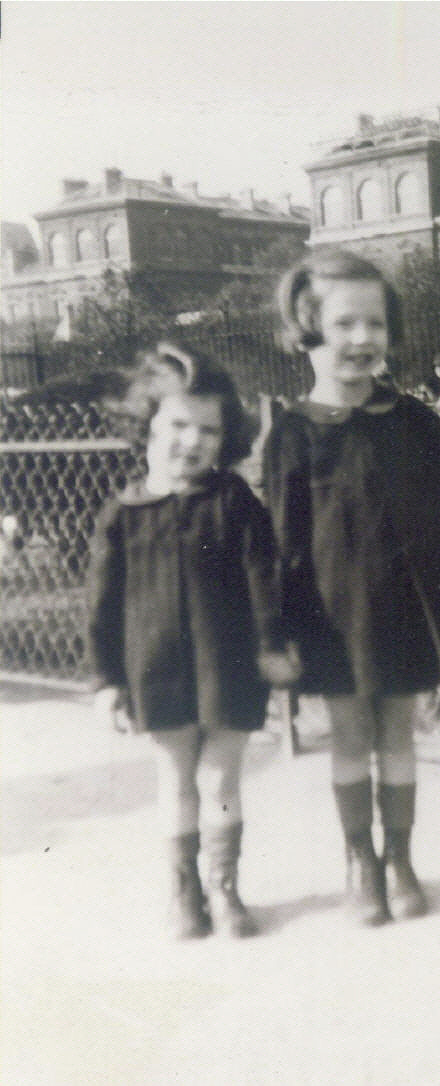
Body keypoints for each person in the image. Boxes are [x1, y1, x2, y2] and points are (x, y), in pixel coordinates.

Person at [264, 250, 440, 926]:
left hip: (405, 607)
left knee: (399, 733)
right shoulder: (293, 433)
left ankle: (401, 858)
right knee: (350, 736)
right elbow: (283, 539)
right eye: (344, 323)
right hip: (332, 615)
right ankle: (361, 862)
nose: (362, 338)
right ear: (307, 329)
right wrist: (281, 627)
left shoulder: (416, 423)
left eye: (374, 323)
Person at [87, 340, 300, 939]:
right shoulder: (122, 513)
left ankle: (224, 888)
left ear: (225, 438)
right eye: (178, 425)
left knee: (220, 779)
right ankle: (184, 890)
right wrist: (106, 681)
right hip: (154, 669)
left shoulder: (234, 502)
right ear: (147, 426)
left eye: (209, 430)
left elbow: (264, 579)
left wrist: (272, 646)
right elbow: (101, 607)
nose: (193, 441)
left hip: (228, 665)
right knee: (176, 778)